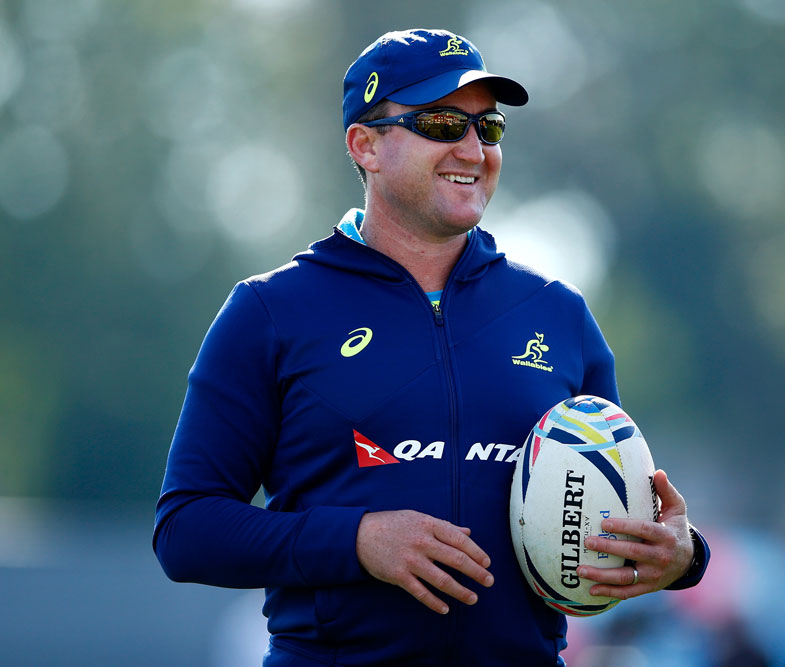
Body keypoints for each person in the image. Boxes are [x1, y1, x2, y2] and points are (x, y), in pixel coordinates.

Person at [153, 28, 709, 666]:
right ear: (366, 146)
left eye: (488, 127)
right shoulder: (271, 312)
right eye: (443, 123)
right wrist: (360, 540)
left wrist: (681, 556)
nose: (473, 148)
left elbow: (607, 523)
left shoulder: (559, 314)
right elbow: (186, 531)